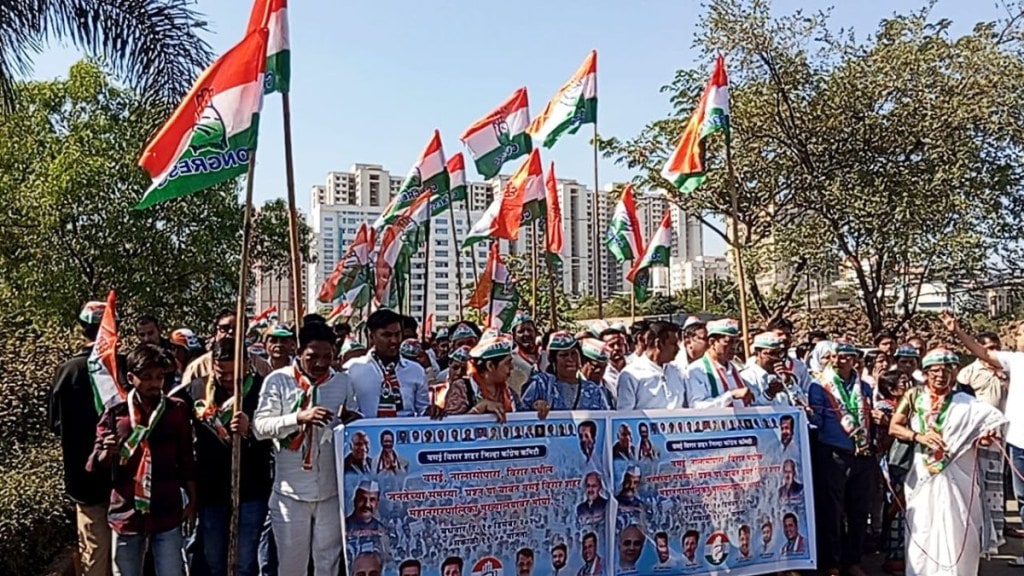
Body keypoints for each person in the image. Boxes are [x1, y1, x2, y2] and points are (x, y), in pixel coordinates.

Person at [253, 321, 358, 576]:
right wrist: (298, 418)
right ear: (298, 352)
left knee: (328, 565)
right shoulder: (278, 380)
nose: (320, 363)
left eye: (327, 356)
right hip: (290, 494)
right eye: (312, 356)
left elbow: (355, 420)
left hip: (331, 492)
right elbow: (260, 427)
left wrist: (352, 421)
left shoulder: (342, 382)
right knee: (292, 567)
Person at [889, 345, 1005, 576]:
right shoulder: (914, 396)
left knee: (959, 523)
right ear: (926, 373)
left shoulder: (967, 402)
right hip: (923, 472)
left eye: (946, 370)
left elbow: (982, 433)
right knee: (924, 523)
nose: (940, 375)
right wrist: (919, 436)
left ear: (954, 373)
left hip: (958, 471)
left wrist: (985, 438)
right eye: (935, 370)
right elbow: (894, 426)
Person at [88, 343, 196, 576]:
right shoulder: (116, 413)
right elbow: (95, 462)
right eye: (146, 377)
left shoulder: (175, 410)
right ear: (131, 378)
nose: (154, 383)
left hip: (166, 508)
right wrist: (108, 452)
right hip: (126, 512)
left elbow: (186, 459)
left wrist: (192, 499)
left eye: (159, 377)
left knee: (171, 571)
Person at [187, 338, 271, 576]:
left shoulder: (263, 390)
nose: (227, 378)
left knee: (244, 562)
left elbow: (275, 435)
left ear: (247, 363)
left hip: (251, 488)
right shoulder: (197, 389)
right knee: (214, 561)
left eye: (233, 373)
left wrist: (250, 429)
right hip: (212, 490)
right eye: (221, 372)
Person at [49, 301, 119, 576]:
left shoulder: (67, 371)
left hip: (83, 479)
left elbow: (55, 424)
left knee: (94, 553)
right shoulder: (124, 368)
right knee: (127, 555)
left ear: (82, 329)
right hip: (126, 480)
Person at [808, 340, 874, 576]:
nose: (838, 361)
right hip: (833, 453)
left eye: (844, 357)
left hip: (862, 453)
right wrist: (810, 414)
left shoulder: (864, 387)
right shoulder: (820, 386)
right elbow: (816, 422)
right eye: (834, 356)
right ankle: (831, 562)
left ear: (854, 360)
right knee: (832, 510)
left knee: (859, 510)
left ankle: (853, 560)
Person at [346, 309, 434, 418]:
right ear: (371, 337)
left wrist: (431, 412)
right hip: (367, 428)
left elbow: (423, 410)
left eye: (397, 334)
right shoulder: (353, 370)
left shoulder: (416, 371)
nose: (394, 341)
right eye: (386, 335)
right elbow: (349, 410)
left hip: (404, 428)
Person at [521, 332, 610, 416]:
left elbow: (606, 418)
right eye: (564, 355)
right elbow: (521, 412)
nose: (570, 359)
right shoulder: (541, 385)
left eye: (574, 353)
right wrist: (535, 406)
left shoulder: (593, 391)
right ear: (554, 360)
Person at [184, 309, 272, 382]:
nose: (230, 332)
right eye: (224, 328)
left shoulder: (261, 366)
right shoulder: (198, 367)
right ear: (215, 332)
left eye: (237, 328)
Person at [444, 334, 516, 420]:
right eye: (507, 363)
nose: (512, 367)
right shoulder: (462, 388)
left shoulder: (507, 390)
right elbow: (450, 424)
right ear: (490, 366)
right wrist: (479, 409)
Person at [617, 321, 686, 410]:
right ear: (658, 344)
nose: (678, 349)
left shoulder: (677, 372)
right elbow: (625, 413)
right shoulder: (631, 375)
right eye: (673, 344)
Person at [685, 319, 753, 408]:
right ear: (712, 342)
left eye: (736, 342)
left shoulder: (734, 368)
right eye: (728, 342)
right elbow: (697, 406)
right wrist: (730, 396)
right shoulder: (696, 371)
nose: (734, 347)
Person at [740, 332, 800, 407]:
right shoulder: (747, 377)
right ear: (758, 354)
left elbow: (801, 403)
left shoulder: (781, 375)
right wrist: (769, 394)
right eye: (771, 354)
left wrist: (789, 383)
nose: (775, 358)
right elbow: (751, 407)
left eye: (778, 353)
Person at [344, 481, 390, 560]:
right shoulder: (344, 525)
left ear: (377, 504)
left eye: (372, 500)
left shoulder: (381, 528)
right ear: (355, 500)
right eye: (362, 499)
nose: (367, 504)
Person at [508, 312, 540, 397]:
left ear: (536, 332)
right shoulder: (510, 360)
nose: (526, 334)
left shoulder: (547, 356)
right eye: (521, 331)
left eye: (529, 330)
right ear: (513, 336)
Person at [599, 325, 629, 407]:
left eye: (619, 344)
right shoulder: (602, 373)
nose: (617, 348)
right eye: (611, 345)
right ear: (603, 348)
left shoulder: (636, 367)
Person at [579, 338, 612, 406]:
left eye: (603, 367)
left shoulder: (608, 388)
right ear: (583, 362)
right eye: (595, 366)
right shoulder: (575, 384)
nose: (599, 371)